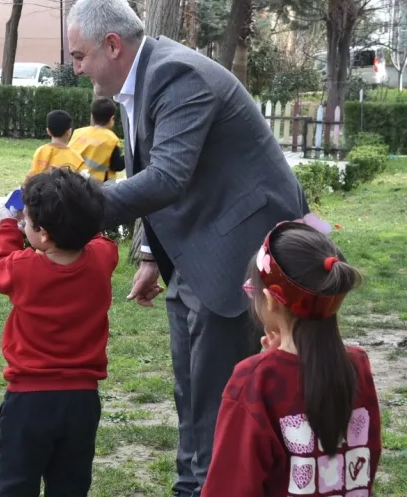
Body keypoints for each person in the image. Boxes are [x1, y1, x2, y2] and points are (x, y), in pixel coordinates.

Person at [66, 1, 310, 495]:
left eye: (79, 56)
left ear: (112, 45)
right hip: (192, 248)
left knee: (219, 391)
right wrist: (151, 255)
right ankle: (192, 483)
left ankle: (213, 484)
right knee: (191, 387)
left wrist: (73, 209)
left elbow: (168, 177)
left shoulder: (179, 75)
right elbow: (151, 173)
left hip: (236, 248)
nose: (76, 69)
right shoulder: (145, 78)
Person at [202, 220, 381, 496]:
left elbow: (229, 487)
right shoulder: (358, 365)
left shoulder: (254, 381)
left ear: (270, 300)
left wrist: (268, 364)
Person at [0, 168, 119, 496]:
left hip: (29, 400)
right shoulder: (102, 259)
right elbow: (99, 238)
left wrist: (6, 225)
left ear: (42, 234)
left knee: (16, 485)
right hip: (81, 400)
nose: (22, 225)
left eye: (27, 221)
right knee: (71, 486)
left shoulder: (22, 268)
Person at [69, 97, 125, 183]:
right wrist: (127, 156)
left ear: (92, 116)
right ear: (112, 118)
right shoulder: (111, 140)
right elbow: (117, 166)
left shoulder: (78, 133)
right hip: (96, 187)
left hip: (72, 181)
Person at [27, 110, 86, 177]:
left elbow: (33, 175)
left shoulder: (40, 151)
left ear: (48, 131)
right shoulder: (76, 157)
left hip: (39, 187)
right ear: (69, 132)